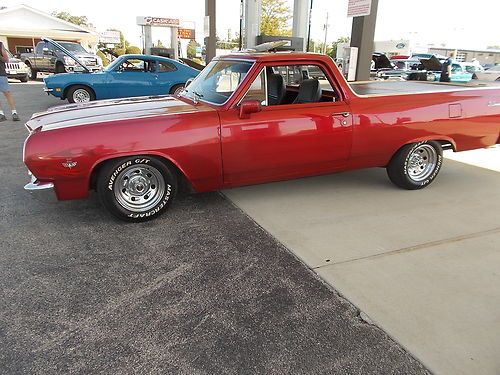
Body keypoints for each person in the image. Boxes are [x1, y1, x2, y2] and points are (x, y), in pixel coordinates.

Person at [0, 41, 19, 121]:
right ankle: (1, 114)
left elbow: (6, 59)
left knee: (7, 93)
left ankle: (14, 112)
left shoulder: (0, 45)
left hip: (1, 73)